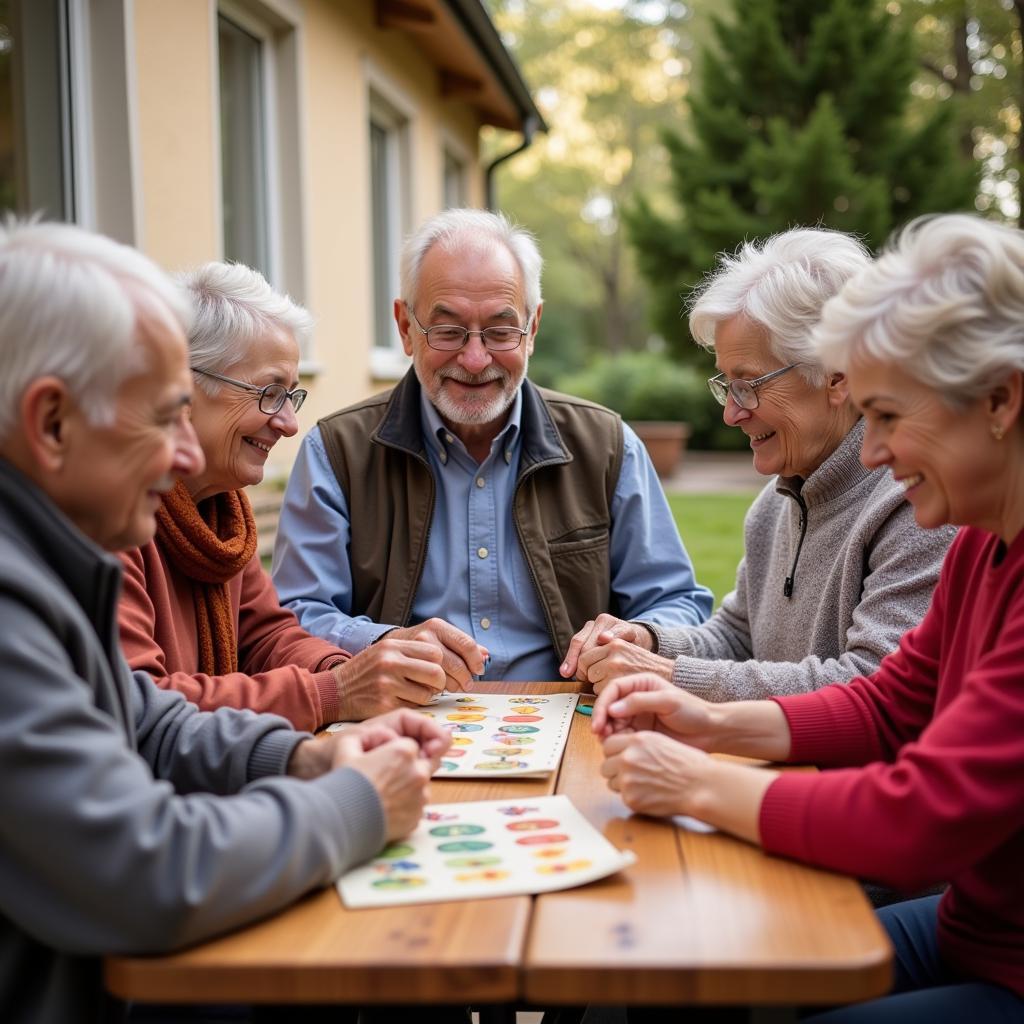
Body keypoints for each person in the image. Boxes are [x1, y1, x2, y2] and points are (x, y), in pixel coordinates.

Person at [0, 220, 449, 1024]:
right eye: (160, 416)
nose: (180, 457)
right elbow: (149, 874)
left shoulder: (56, 549)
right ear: (52, 423)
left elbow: (146, 724)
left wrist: (305, 759)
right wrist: (355, 798)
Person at [592, 213, 1024, 1021]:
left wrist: (697, 777)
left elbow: (919, 818)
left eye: (890, 416)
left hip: (998, 953)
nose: (870, 453)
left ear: (999, 401)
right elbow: (888, 701)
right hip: (972, 924)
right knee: (684, 967)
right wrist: (704, 719)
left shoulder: (953, 526)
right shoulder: (982, 546)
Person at [272, 208, 712, 687]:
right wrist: (382, 645)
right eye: (447, 330)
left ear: (534, 328)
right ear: (404, 328)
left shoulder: (606, 446)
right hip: (399, 721)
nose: (476, 358)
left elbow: (678, 603)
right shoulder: (337, 452)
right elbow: (295, 615)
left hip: (573, 719)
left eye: (501, 331)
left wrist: (640, 635)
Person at [563, 228, 954, 700]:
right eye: (726, 385)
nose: (731, 412)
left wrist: (668, 677)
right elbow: (737, 638)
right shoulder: (775, 504)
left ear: (838, 377)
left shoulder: (917, 503)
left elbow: (873, 682)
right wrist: (647, 642)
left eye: (749, 384)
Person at [118, 262, 453, 728]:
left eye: (291, 397)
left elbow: (266, 636)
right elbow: (140, 704)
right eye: (270, 392)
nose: (289, 423)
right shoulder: (110, 516)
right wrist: (332, 692)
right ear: (183, 385)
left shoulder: (220, 512)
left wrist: (352, 673)